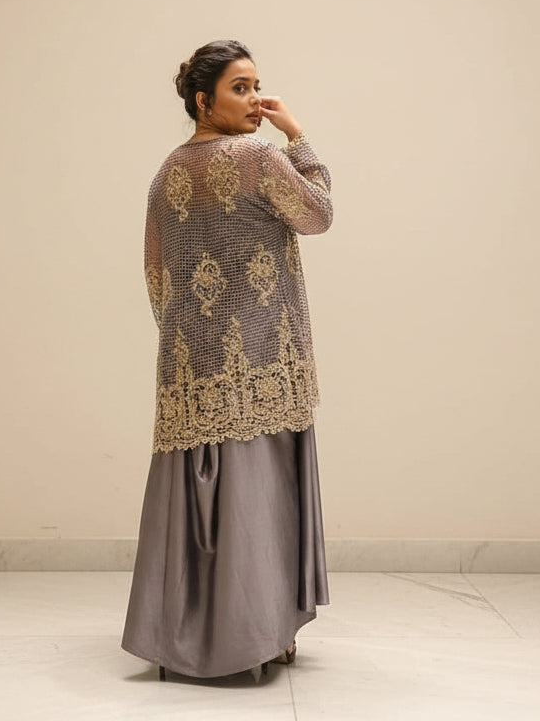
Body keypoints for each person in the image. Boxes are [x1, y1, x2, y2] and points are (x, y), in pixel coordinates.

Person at [120, 39, 332, 680]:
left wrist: (190, 341)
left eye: (257, 86)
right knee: (259, 498)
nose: (256, 101)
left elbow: (156, 271)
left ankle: (185, 638)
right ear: (201, 99)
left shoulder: (167, 173)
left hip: (191, 361)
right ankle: (259, 634)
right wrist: (298, 135)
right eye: (241, 88)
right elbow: (318, 213)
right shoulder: (262, 156)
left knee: (199, 495)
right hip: (264, 353)